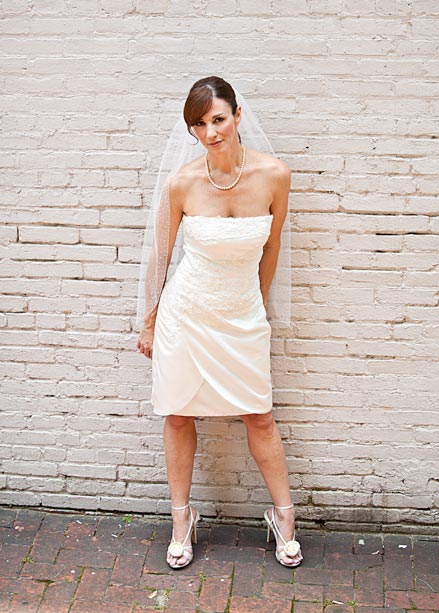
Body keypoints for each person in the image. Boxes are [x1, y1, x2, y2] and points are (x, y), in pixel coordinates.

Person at [135, 76, 302, 570]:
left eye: (218, 119)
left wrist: (260, 303)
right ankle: (181, 519)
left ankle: (285, 517)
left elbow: (272, 247)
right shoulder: (183, 182)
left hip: (241, 312)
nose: (210, 132)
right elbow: (162, 254)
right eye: (199, 124)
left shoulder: (275, 176)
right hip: (185, 313)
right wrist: (149, 320)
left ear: (237, 115)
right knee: (178, 413)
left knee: (260, 416)